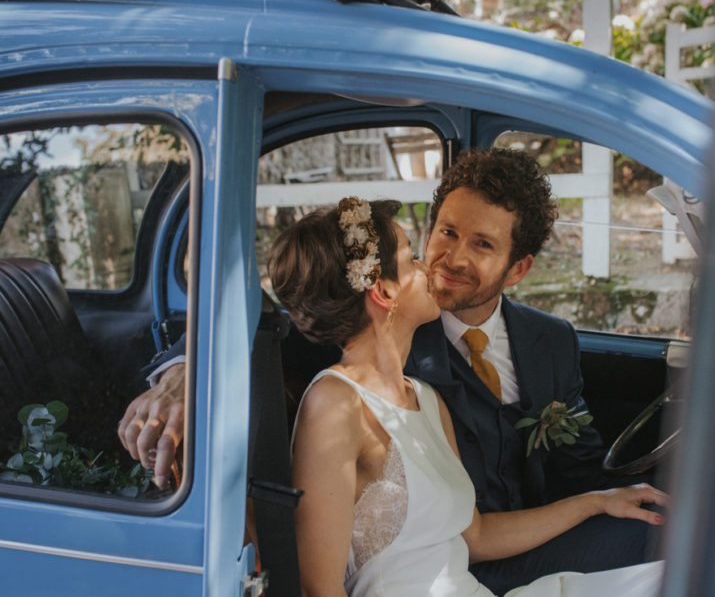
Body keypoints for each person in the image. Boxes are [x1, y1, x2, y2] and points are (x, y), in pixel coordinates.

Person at [118, 149, 660, 591]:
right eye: (442, 234)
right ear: (382, 289)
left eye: (482, 244)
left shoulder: (508, 360)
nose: (442, 260)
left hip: (498, 550)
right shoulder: (342, 387)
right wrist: (184, 372)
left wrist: (603, 499)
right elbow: (263, 321)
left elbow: (555, 482)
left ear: (517, 269)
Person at [274, 195, 665, 596]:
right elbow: (319, 588)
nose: (430, 269)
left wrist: (597, 502)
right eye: (412, 260)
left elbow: (477, 537)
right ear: (384, 292)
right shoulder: (335, 404)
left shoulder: (425, 399)